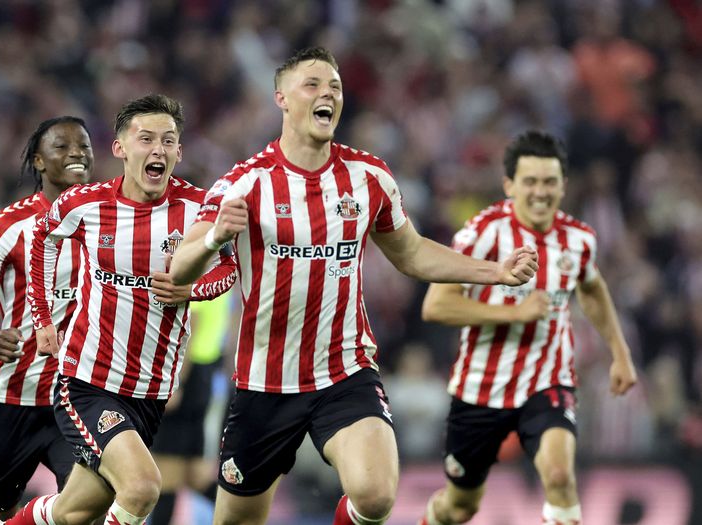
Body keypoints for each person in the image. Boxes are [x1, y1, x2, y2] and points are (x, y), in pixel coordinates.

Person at [159, 46, 538, 525]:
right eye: (313, 85)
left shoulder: (368, 177)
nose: (328, 94)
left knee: (376, 496)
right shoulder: (246, 183)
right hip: (265, 382)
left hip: (344, 371)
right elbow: (178, 269)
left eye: (335, 86)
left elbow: (411, 253)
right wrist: (216, 236)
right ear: (281, 98)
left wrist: (494, 271)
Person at [0, 94, 236, 525]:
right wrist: (43, 319)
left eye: (168, 141)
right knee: (142, 487)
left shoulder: (197, 210)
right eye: (146, 138)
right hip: (89, 382)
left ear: (179, 151)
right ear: (120, 148)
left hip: (152, 392)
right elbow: (41, 243)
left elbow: (228, 269)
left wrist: (192, 290)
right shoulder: (86, 204)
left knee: (75, 510)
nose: (158, 149)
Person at [417, 130, 638, 525]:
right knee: (460, 507)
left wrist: (620, 354)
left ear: (563, 185)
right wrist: (514, 314)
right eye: (530, 181)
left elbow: (592, 288)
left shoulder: (579, 239)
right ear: (509, 185)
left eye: (549, 182)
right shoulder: (483, 232)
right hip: (480, 387)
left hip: (547, 380)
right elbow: (436, 306)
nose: (540, 192)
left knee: (560, 477)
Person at [0, 116, 94, 521]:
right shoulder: (8, 226)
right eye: (62, 147)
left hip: (76, 399)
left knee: (88, 507)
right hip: (12, 397)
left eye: (84, 146)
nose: (77, 154)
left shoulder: (109, 221)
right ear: (38, 161)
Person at [148, 292, 233, 525]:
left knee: (171, 471)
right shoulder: (221, 279)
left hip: (190, 377)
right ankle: (245, 512)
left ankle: (245, 513)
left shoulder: (198, 277)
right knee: (191, 474)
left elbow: (188, 328)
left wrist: (177, 383)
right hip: (204, 374)